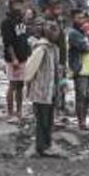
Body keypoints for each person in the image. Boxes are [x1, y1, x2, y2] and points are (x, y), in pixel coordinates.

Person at [25, 21, 61, 156]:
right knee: (42, 120)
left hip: (50, 90)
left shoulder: (53, 49)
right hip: (41, 91)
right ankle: (42, 146)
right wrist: (28, 85)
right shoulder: (41, 49)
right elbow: (30, 69)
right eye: (55, 31)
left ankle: (46, 144)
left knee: (48, 119)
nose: (57, 34)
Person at [0, 0, 30, 120]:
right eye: (17, 5)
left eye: (20, 5)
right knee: (12, 84)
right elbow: (8, 43)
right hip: (13, 58)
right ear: (11, 6)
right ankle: (10, 112)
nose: (19, 7)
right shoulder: (6, 22)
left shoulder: (21, 21)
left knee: (20, 85)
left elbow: (24, 38)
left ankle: (19, 111)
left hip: (23, 56)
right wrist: (14, 59)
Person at [69, 9, 89, 130]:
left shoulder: (83, 32)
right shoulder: (73, 33)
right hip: (79, 68)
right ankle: (81, 122)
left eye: (82, 18)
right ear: (73, 19)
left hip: (88, 68)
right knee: (81, 96)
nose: (81, 20)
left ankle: (83, 120)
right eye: (78, 18)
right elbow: (84, 47)